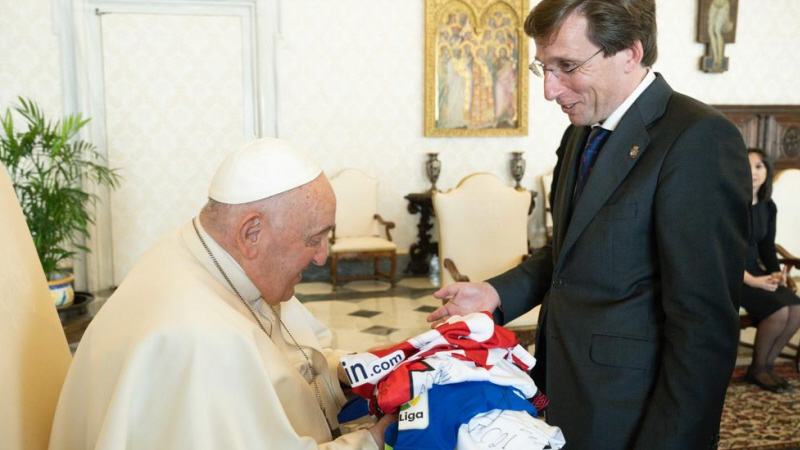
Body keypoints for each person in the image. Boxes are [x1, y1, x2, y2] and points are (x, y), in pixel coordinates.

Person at [427, 0, 751, 448]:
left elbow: (704, 326)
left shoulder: (697, 139)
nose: (549, 90)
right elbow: (570, 250)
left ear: (630, 53)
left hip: (634, 413)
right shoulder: (580, 132)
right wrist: (496, 293)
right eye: (544, 68)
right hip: (565, 390)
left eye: (567, 66)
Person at [50, 139, 395, 449]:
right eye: (313, 239)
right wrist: (374, 440)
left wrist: (348, 371)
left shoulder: (205, 257)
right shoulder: (200, 339)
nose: (322, 256)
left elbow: (294, 360)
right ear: (251, 233)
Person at [742, 148, 800, 393]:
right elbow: (724, 254)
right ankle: (757, 369)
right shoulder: (730, 204)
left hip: (755, 272)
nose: (754, 172)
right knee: (778, 312)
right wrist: (754, 282)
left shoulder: (767, 206)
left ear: (767, 169)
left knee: (796, 309)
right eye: (747, 166)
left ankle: (767, 366)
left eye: (759, 166)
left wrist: (777, 274)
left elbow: (767, 247)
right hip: (731, 276)